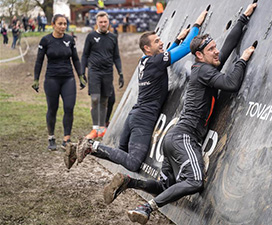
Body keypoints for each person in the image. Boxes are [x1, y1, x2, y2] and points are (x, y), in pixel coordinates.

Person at [102, 3, 257, 224]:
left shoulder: (204, 67)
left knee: (167, 186)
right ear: (200, 56)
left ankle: (130, 182)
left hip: (173, 138)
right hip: (184, 138)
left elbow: (227, 48)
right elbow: (231, 83)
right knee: (195, 182)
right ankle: (146, 208)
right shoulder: (204, 72)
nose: (217, 52)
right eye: (212, 49)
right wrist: (243, 59)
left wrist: (243, 18)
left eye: (215, 47)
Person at [64, 10, 208, 172]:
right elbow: (186, 48)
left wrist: (176, 40)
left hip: (134, 115)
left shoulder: (145, 61)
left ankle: (81, 149)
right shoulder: (157, 62)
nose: (161, 43)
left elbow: (166, 55)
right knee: (133, 163)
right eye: (157, 41)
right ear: (147, 48)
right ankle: (90, 144)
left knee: (121, 153)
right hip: (144, 119)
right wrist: (196, 25)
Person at [32, 14, 86, 150]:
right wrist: (36, 79)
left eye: (65, 24)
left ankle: (66, 139)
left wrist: (80, 76)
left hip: (68, 78)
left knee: (69, 107)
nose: (63, 26)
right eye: (60, 24)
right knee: (53, 108)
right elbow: (39, 61)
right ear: (53, 24)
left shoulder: (69, 39)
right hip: (52, 79)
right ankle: (51, 138)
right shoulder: (45, 40)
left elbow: (76, 59)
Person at [80, 11, 124, 140]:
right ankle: (95, 129)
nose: (103, 24)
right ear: (97, 23)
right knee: (95, 99)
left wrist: (120, 72)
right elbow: (84, 55)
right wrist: (82, 72)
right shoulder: (91, 36)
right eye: (101, 22)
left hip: (107, 72)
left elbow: (116, 56)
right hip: (94, 71)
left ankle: (102, 127)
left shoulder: (113, 37)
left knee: (105, 100)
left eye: (105, 22)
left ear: (108, 22)